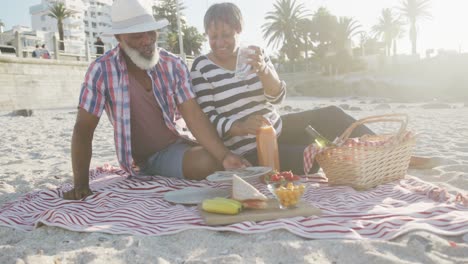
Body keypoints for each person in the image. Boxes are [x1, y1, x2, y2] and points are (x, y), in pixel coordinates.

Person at [191, 2, 435, 175]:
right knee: (316, 155)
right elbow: (209, 118)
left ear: (239, 31)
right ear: (206, 35)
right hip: (248, 147)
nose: (220, 43)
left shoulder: (255, 54)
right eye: (213, 37)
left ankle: (390, 152)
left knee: (332, 115)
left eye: (226, 35)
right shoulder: (202, 67)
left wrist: (264, 70)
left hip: (278, 128)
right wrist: (241, 126)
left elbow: (277, 97)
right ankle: (363, 160)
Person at [64, 0, 249, 200]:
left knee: (227, 157)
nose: (147, 40)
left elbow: (193, 115)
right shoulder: (101, 70)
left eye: (151, 32)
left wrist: (224, 156)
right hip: (148, 158)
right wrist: (81, 183)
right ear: (119, 38)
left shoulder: (173, 64)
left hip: (181, 142)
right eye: (137, 36)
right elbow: (83, 128)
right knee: (208, 163)